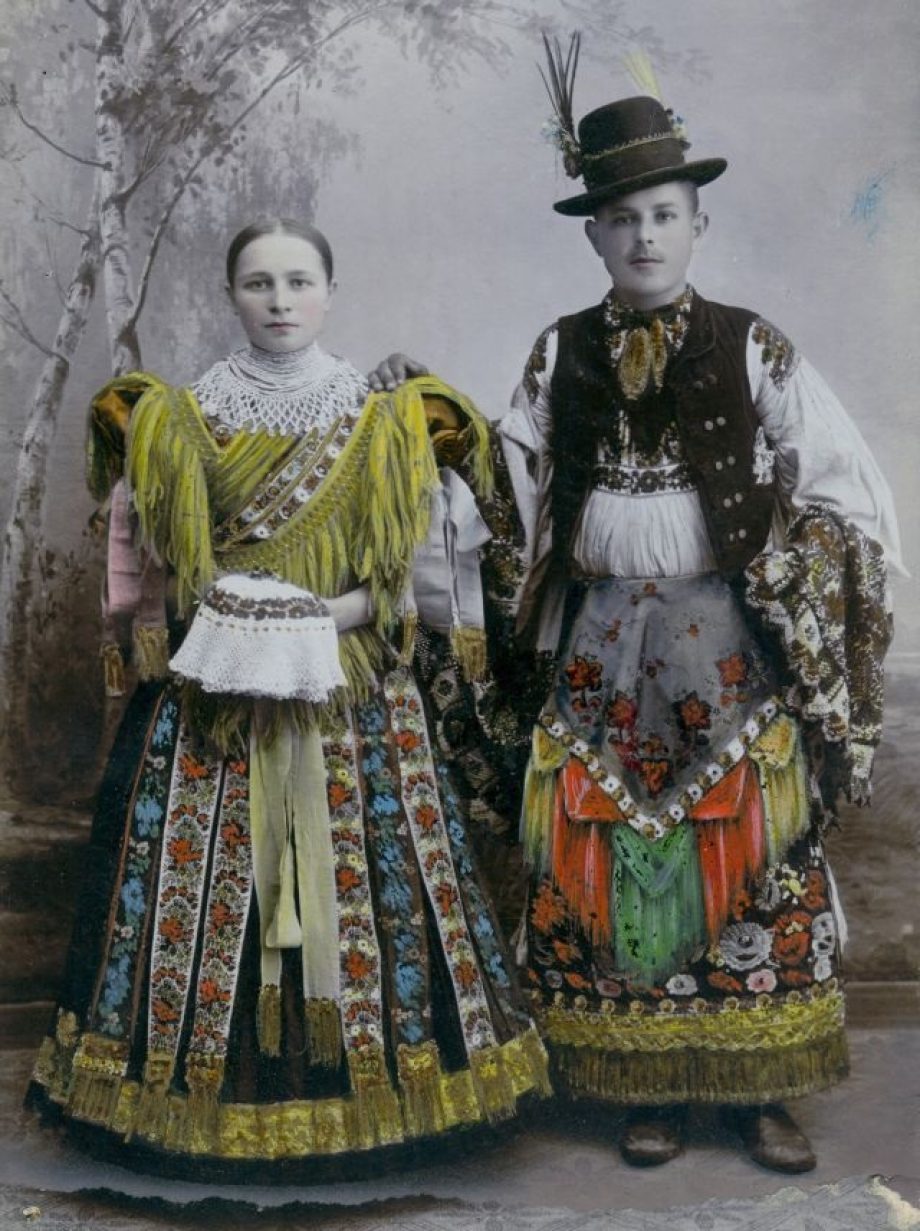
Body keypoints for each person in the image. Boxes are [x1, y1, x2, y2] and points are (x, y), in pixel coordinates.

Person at [369, 73, 903, 1173]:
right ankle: (640, 1084)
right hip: (598, 653)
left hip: (729, 653)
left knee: (753, 857)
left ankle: (760, 1088)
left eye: (664, 214)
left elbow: (845, 492)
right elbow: (506, 493)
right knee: (608, 859)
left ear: (698, 224)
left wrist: (786, 576)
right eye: (622, 218)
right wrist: (431, 423)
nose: (644, 236)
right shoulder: (558, 351)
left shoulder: (751, 345)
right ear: (593, 235)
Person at [26, 219, 549, 1178]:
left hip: (348, 695)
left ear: (329, 292)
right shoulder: (178, 417)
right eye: (259, 282)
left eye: (299, 281)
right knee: (207, 872)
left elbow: (401, 582)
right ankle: (194, 1096)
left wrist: (324, 614)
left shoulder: (386, 420)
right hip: (217, 697)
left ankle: (380, 1093)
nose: (279, 301)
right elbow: (169, 575)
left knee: (365, 875)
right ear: (231, 293)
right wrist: (232, 614)